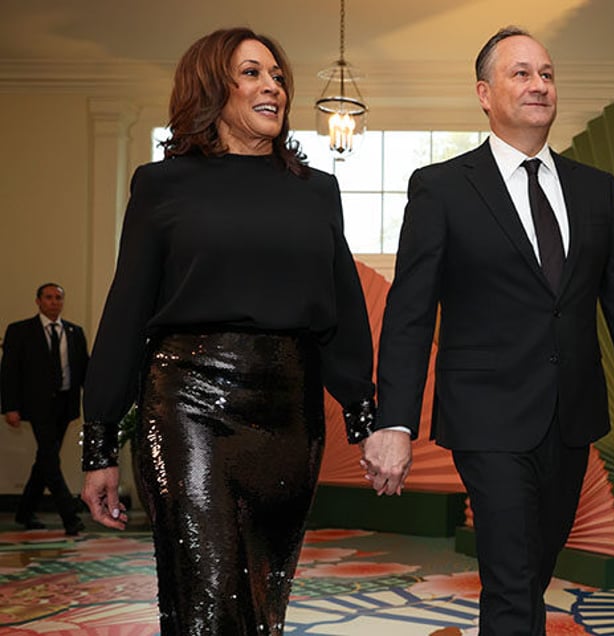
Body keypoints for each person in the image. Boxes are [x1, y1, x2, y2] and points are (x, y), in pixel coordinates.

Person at [362, 26, 614, 635]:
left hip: (571, 416)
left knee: (530, 573)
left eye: (547, 74)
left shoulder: (597, 191)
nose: (539, 85)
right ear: (484, 93)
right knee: (510, 576)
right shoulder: (442, 188)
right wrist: (393, 422)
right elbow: (410, 312)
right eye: (521, 73)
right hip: (486, 415)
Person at [80, 27, 375, 635]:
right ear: (213, 88)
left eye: (277, 75)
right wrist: (100, 442)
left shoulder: (317, 190)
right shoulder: (161, 185)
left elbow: (340, 310)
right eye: (251, 73)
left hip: (291, 417)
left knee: (261, 603)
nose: (273, 86)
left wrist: (365, 416)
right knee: (208, 598)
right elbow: (126, 311)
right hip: (187, 407)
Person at [1, 283, 88, 535]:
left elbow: (84, 370)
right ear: (38, 301)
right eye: (48, 297)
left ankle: (24, 512)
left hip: (64, 405)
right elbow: (8, 373)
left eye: (58, 298)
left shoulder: (74, 332)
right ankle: (70, 516)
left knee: (44, 459)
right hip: (36, 405)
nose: (54, 302)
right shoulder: (20, 331)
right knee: (50, 459)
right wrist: (10, 407)